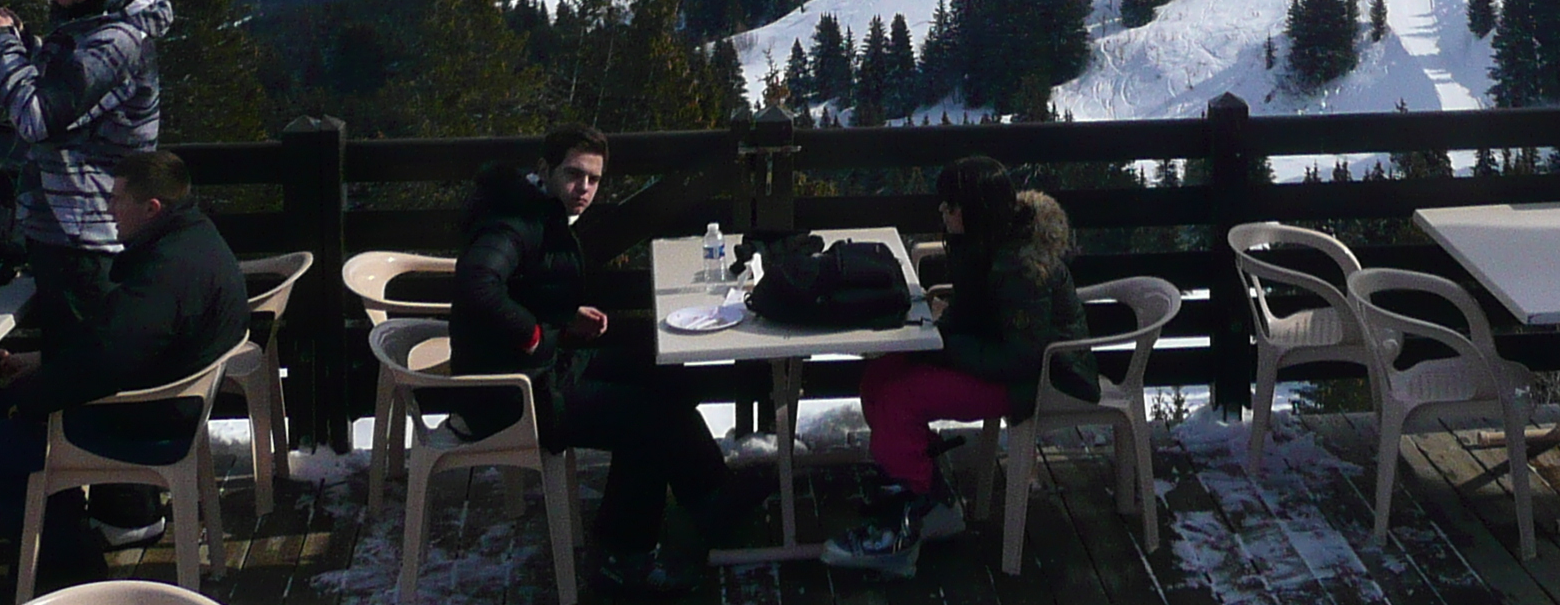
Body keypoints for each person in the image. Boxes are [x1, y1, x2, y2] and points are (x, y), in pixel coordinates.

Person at [449, 124, 766, 597]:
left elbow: (519, 287)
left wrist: (559, 317)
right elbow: (477, 285)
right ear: (544, 171)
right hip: (509, 393)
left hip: (541, 369)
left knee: (663, 377)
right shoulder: (514, 222)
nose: (584, 189)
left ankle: (708, 501)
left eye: (594, 180)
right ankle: (625, 556)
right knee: (648, 419)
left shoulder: (541, 213)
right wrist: (536, 333)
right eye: (574, 175)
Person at [0, 149, 243, 595]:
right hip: (171, 400)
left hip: (147, 422)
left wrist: (29, 397)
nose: (107, 209)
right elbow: (122, 344)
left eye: (117, 199)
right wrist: (45, 365)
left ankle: (66, 575)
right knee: (16, 415)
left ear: (151, 209)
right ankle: (61, 540)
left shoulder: (164, 272)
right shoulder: (195, 239)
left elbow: (107, 362)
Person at [822, 155, 1094, 579]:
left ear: (977, 209)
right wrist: (932, 337)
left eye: (951, 205)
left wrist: (944, 346)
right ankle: (918, 485)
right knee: (880, 375)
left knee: (899, 397)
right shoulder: (981, 244)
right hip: (997, 361)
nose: (943, 212)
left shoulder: (1021, 267)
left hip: (1036, 379)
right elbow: (974, 319)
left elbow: (1023, 356)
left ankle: (915, 517)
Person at [0, 0, 172, 352]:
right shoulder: (88, 27)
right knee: (68, 363)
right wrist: (28, 49)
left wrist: (2, 49)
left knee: (82, 367)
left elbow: (37, 118)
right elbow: (69, 96)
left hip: (87, 235)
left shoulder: (115, 41)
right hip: (68, 228)